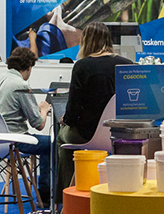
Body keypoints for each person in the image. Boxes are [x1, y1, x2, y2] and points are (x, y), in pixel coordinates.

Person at [56, 23, 132, 191]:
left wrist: (66, 120)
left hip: (87, 133)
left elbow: (73, 110)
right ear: (108, 40)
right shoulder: (128, 65)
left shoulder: (82, 66)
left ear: (86, 41)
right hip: (121, 134)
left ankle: (67, 194)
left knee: (61, 137)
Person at [0, 48, 56, 201]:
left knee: (46, 143)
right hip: (14, 140)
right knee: (53, 143)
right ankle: (46, 195)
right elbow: (39, 124)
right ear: (29, 67)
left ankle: (45, 193)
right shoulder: (21, 85)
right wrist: (43, 109)